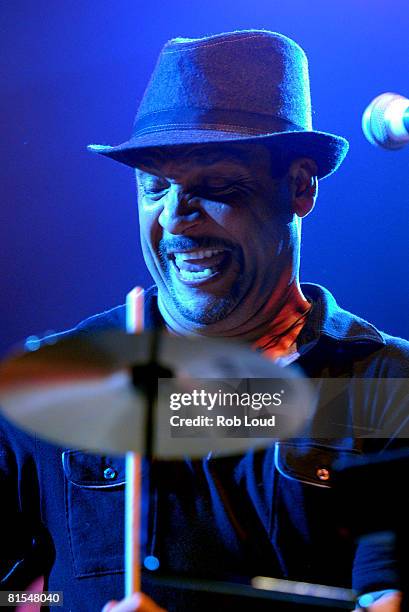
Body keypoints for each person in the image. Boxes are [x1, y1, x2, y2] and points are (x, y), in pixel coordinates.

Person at [1, 30, 408, 612]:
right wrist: (39, 606)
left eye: (214, 187)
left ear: (299, 187)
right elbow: (13, 588)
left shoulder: (387, 389)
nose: (176, 218)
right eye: (156, 187)